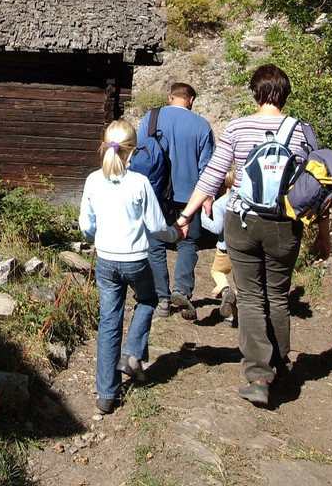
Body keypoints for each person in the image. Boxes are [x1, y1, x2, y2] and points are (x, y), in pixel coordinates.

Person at [173, 64, 330, 406]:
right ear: (285, 94)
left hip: (242, 222)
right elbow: (318, 185)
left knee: (250, 296)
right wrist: (323, 232)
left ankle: (259, 374)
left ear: (256, 94)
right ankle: (281, 367)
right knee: (277, 294)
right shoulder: (302, 131)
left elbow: (213, 175)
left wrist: (186, 215)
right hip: (285, 225)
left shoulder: (237, 127)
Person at [80, 119, 180, 415]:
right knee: (148, 299)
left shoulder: (92, 180)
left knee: (109, 322)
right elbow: (156, 226)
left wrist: (94, 238)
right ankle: (133, 354)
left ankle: (106, 395)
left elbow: (87, 226)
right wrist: (175, 233)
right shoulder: (139, 183)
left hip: (106, 260)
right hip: (136, 260)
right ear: (132, 151)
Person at [139, 82, 215, 319]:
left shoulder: (151, 118)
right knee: (188, 243)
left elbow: (140, 154)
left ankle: (162, 299)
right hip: (190, 196)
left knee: (156, 244)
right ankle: (181, 289)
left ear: (170, 97)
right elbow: (208, 168)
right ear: (191, 100)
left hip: (155, 194)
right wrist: (208, 198)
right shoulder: (202, 126)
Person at [201, 164, 238, 324]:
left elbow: (217, 228)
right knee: (240, 280)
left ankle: (224, 289)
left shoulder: (219, 203)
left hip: (224, 246)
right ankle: (234, 316)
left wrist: (203, 217)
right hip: (242, 247)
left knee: (217, 271)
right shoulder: (243, 199)